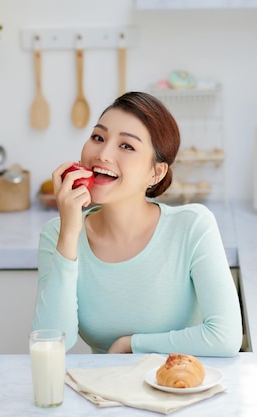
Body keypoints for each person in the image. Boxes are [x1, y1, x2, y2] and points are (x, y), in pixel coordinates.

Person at [32, 91, 242, 356]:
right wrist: (69, 232)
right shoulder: (58, 234)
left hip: (179, 389)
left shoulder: (192, 227)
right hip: (103, 392)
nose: (103, 154)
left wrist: (131, 345)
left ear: (156, 172)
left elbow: (225, 337)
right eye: (98, 137)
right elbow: (50, 343)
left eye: (127, 146)